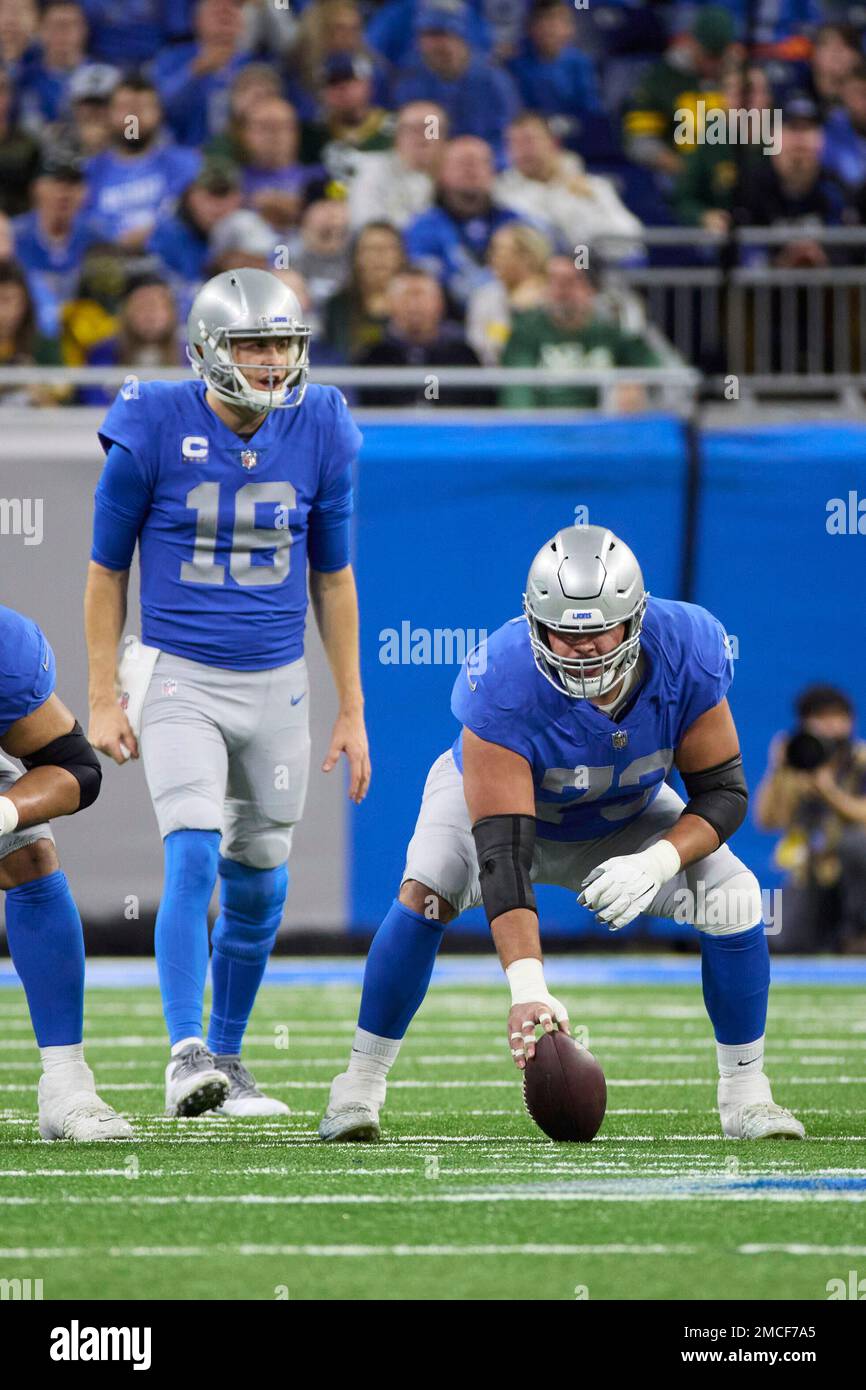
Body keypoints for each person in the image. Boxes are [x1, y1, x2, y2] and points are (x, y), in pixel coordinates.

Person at [319, 524, 805, 1144]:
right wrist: (528, 989)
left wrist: (656, 862)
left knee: (735, 897)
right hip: (509, 816)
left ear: (636, 617)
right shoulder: (501, 678)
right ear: (533, 623)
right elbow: (502, 854)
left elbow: (724, 793)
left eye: (600, 629)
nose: (585, 648)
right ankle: (358, 1087)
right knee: (430, 886)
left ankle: (746, 1096)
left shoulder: (688, 647)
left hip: (626, 814)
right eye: (565, 633)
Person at [84, 267, 370, 1120]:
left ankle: (231, 1060)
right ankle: (184, 1052)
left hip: (278, 681)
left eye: (284, 342)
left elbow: (335, 578)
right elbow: (106, 574)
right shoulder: (150, 421)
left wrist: (352, 707)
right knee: (194, 850)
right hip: (180, 675)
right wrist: (102, 690)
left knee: (260, 881)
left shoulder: (323, 424)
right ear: (207, 348)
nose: (275, 360)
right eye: (254, 343)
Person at [0, 603, 132, 1141]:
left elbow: (77, 768)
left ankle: (66, 1083)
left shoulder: (7, 650)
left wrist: (5, 813)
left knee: (28, 854)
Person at [755, 685, 866, 954]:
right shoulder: (799, 765)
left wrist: (829, 792)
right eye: (821, 719)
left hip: (855, 871)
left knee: (856, 844)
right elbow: (767, 820)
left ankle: (859, 934)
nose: (830, 726)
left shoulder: (860, 759)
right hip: (813, 871)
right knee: (778, 939)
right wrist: (778, 770)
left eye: (837, 718)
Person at [500, 257, 661, 411]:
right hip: (544, 430)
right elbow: (518, 395)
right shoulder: (526, 331)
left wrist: (633, 382)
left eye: (569, 282)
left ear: (591, 289)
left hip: (601, 432)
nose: (560, 292)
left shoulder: (611, 329)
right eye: (552, 281)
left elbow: (659, 369)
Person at [81, 75, 201, 250]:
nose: (133, 118)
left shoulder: (188, 165)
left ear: (159, 113)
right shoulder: (88, 172)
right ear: (109, 114)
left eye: (142, 108)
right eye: (126, 108)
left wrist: (153, 233)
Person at [404, 136, 523, 312]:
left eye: (478, 163)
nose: (470, 169)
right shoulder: (422, 227)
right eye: (462, 163)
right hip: (444, 320)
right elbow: (425, 275)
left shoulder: (514, 223)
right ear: (441, 173)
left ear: (493, 172)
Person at [354, 265, 493, 406]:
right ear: (390, 303)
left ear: (440, 303)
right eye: (406, 296)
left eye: (421, 296)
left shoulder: (463, 356)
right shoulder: (372, 358)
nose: (414, 306)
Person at [348, 101, 445, 232]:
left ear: (444, 137)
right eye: (411, 129)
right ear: (397, 138)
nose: (422, 137)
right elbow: (364, 222)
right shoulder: (373, 169)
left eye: (430, 129)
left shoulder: (456, 172)